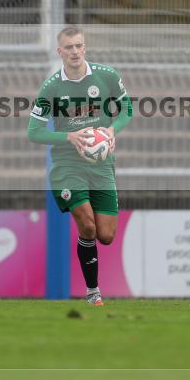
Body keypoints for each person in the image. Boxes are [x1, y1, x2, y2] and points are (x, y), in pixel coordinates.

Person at [27, 27, 132, 306]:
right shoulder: (51, 88)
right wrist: (68, 137)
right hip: (67, 164)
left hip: (101, 164)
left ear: (85, 48)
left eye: (79, 46)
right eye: (68, 47)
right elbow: (34, 132)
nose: (74, 52)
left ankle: (92, 282)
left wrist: (111, 130)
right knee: (87, 225)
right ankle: (93, 291)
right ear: (59, 52)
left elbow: (127, 110)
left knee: (106, 235)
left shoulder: (106, 76)